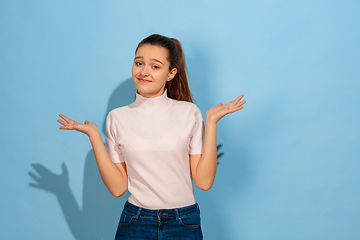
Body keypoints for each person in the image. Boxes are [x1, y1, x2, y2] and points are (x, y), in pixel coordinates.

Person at [58, 34, 246, 240]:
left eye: (155, 66)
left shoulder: (189, 113)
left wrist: (210, 123)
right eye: (139, 63)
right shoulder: (117, 118)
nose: (144, 72)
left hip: (183, 221)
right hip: (135, 221)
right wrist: (94, 135)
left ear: (171, 73)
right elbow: (118, 187)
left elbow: (203, 181)